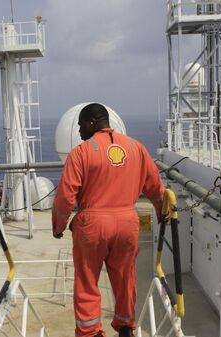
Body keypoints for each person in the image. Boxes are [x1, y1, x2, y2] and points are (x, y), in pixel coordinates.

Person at [52, 103, 165, 337]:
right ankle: (125, 327)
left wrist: (59, 226)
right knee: (125, 279)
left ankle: (90, 332)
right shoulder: (137, 147)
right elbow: (155, 187)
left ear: (92, 122)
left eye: (81, 124)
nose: (80, 130)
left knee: (87, 281)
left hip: (92, 225)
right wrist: (163, 212)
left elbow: (65, 197)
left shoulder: (82, 153)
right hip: (127, 222)